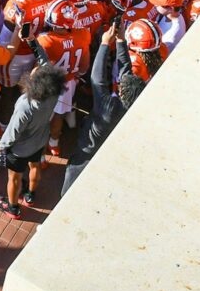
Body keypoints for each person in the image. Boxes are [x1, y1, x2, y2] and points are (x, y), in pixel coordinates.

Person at [61, 25, 146, 195]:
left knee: (70, 187)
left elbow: (97, 79)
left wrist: (104, 43)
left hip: (88, 153)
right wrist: (121, 41)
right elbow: (125, 72)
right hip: (110, 153)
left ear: (123, 91)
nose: (120, 84)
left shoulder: (110, 109)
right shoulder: (135, 105)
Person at [0, 65, 66, 219]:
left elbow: (13, 131)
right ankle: (30, 195)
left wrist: (1, 145)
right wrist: (34, 43)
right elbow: (46, 65)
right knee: (35, 166)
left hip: (19, 150)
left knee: (14, 178)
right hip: (40, 141)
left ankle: (12, 207)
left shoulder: (25, 105)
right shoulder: (53, 93)